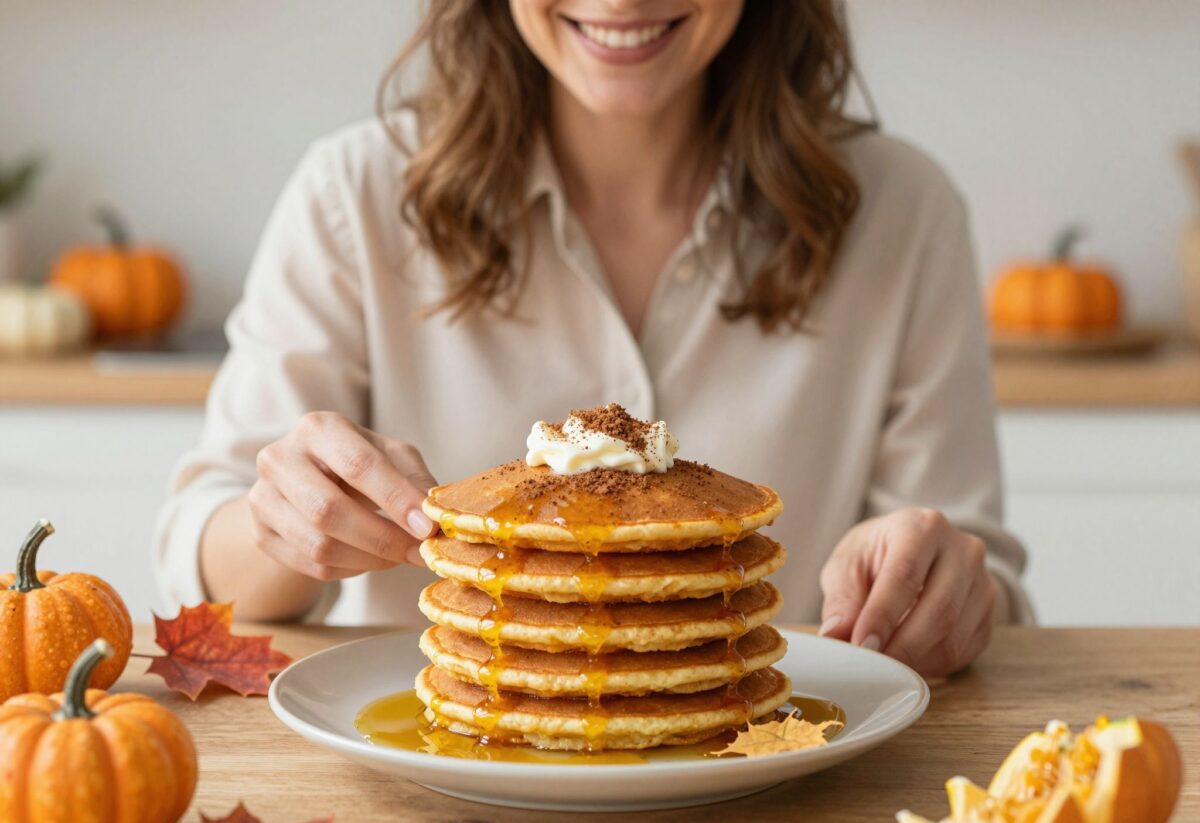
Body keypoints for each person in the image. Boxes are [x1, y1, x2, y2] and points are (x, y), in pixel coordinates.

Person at [156, 0, 1030, 678]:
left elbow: (984, 584)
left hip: (773, 779)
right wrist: (291, 520)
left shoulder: (903, 213)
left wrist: (942, 588)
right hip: (449, 790)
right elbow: (200, 561)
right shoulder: (353, 196)